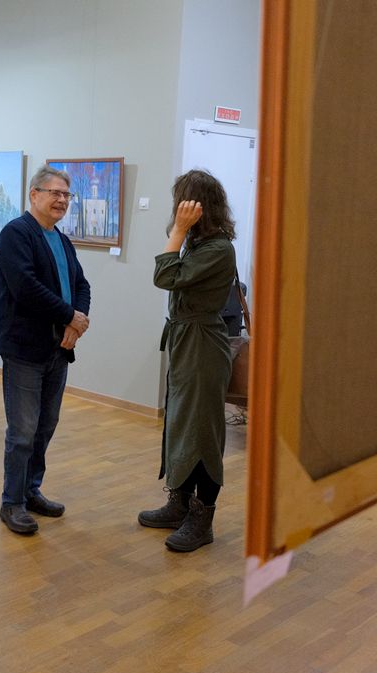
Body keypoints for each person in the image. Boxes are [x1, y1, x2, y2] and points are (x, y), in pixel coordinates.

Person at [138, 169, 237, 552]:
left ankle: (202, 519)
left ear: (198, 206)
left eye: (183, 202)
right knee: (181, 426)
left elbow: (164, 277)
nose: (177, 209)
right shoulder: (201, 245)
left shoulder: (218, 249)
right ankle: (178, 504)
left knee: (202, 433)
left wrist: (178, 231)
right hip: (186, 343)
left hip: (202, 347)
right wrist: (183, 234)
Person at [0, 166, 91, 535]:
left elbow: (81, 284)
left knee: (45, 426)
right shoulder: (16, 234)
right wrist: (69, 316)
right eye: (54, 193)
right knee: (22, 432)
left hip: (58, 349)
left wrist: (75, 322)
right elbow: (25, 287)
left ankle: (31, 490)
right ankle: (11, 502)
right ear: (34, 195)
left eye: (66, 195)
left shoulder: (61, 240)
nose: (61, 200)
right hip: (24, 348)